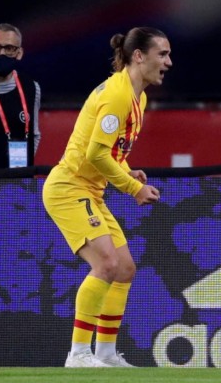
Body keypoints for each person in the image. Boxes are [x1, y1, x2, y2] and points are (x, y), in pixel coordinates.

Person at [42, 27, 172, 367]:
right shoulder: (117, 95)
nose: (168, 62)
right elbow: (97, 154)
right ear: (139, 56)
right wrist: (133, 188)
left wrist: (127, 170)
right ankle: (79, 354)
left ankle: (106, 353)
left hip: (90, 190)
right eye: (162, 54)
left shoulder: (137, 97)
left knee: (125, 268)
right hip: (69, 187)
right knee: (107, 264)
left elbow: (110, 152)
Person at [0, 23, 41, 168]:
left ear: (19, 53)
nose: (2, 53)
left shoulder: (31, 87)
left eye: (9, 48)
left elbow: (34, 135)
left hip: (17, 184)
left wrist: (20, 171)